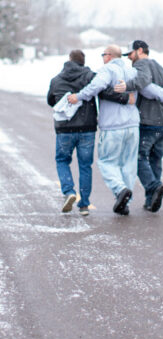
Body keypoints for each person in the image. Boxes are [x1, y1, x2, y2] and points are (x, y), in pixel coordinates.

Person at [68, 44, 163, 215]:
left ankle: (120, 190)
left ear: (108, 56)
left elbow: (95, 87)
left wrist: (78, 97)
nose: (102, 58)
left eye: (103, 55)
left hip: (113, 126)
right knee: (129, 164)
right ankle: (125, 202)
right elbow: (149, 90)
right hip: (132, 126)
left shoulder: (107, 70)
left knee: (106, 161)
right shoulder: (132, 72)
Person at [47, 49, 130, 216]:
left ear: (69, 60)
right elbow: (105, 92)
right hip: (87, 129)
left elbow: (51, 100)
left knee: (62, 160)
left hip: (64, 129)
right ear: (83, 62)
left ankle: (69, 192)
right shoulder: (91, 77)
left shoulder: (56, 80)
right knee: (85, 165)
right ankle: (84, 204)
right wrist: (126, 98)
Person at [115, 40, 163, 213]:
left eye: (130, 54)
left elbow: (143, 80)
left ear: (140, 51)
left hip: (148, 121)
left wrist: (126, 86)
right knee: (155, 159)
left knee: (138, 157)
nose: (129, 58)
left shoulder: (141, 65)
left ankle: (153, 186)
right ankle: (151, 200)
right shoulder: (161, 68)